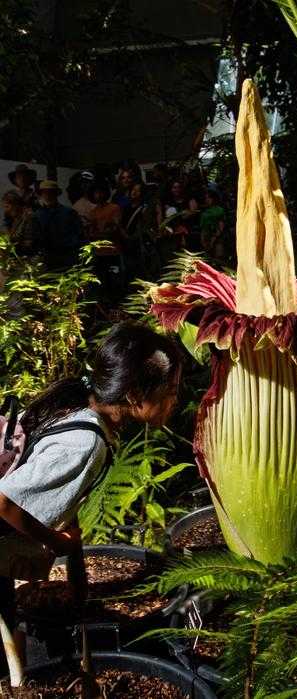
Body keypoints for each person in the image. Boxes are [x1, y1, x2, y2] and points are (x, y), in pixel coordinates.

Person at [0, 321, 182, 671]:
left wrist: (76, 579)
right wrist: (55, 542)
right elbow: (5, 501)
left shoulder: (81, 410)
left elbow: (69, 501)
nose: (175, 400)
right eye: (170, 390)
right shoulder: (87, 442)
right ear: (133, 395)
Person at [31, 180, 83, 271]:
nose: (47, 196)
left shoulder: (69, 212)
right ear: (41, 194)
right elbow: (35, 235)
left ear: (56, 194)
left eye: (51, 193)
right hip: (47, 256)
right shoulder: (37, 215)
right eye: (45, 193)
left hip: (67, 255)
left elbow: (78, 233)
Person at [87, 180, 124, 303]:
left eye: (100, 192)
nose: (98, 195)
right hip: (98, 254)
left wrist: (98, 234)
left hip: (113, 253)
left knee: (115, 283)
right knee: (101, 283)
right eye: (96, 193)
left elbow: (114, 229)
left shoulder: (114, 208)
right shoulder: (93, 212)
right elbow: (90, 232)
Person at [2, 191, 35, 257]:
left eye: (7, 206)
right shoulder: (10, 219)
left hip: (26, 257)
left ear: (16, 205)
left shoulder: (28, 218)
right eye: (5, 207)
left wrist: (11, 246)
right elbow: (7, 236)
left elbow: (29, 242)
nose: (6, 210)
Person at [200, 187, 226, 259]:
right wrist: (203, 240)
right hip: (206, 237)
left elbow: (221, 226)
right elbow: (203, 228)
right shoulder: (204, 212)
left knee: (219, 258)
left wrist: (214, 238)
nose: (207, 200)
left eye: (209, 198)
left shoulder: (219, 210)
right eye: (206, 198)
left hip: (218, 237)